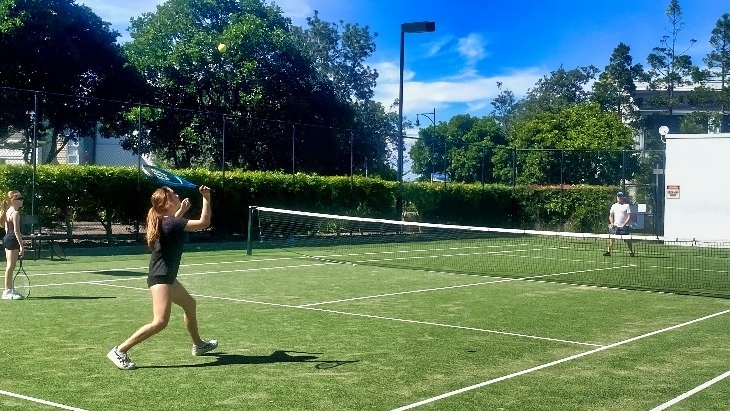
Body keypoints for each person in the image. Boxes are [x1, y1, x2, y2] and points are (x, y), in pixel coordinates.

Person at [107, 185, 217, 370]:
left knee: (190, 304)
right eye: (173, 194)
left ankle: (199, 345)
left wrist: (181, 210)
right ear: (167, 202)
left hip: (166, 277)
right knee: (160, 322)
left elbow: (173, 224)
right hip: (161, 278)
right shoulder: (171, 222)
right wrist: (206, 197)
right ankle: (120, 350)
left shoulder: (165, 220)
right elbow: (204, 223)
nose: (177, 195)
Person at [2, 191, 25, 300]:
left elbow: (7, 228)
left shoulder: (8, 211)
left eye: (21, 198)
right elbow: (17, 231)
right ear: (12, 201)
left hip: (8, 238)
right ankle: (7, 291)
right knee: (10, 267)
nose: (21, 200)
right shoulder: (15, 213)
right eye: (19, 198)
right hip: (12, 239)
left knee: (10, 266)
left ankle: (10, 289)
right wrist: (21, 246)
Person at [604, 191, 635, 257]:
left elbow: (629, 216)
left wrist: (624, 224)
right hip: (615, 226)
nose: (619, 197)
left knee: (627, 240)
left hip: (624, 226)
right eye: (618, 196)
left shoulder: (626, 206)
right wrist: (612, 223)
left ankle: (631, 252)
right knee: (612, 239)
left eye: (620, 196)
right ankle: (608, 252)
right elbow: (611, 215)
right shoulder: (614, 206)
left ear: (623, 197)